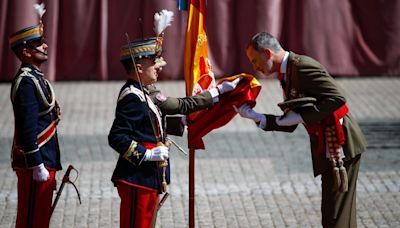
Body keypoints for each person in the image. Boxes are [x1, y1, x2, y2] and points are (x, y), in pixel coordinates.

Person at [234, 32, 367, 227]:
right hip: (328, 145)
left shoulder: (302, 66)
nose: (255, 67)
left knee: (336, 216)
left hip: (340, 142)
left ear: (268, 53)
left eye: (255, 60)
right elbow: (290, 123)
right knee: (333, 214)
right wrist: (256, 117)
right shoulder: (287, 73)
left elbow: (338, 97)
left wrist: (304, 116)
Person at [108, 36, 240, 227]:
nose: (158, 66)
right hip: (137, 177)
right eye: (152, 63)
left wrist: (182, 122)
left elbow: (147, 123)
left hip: (146, 177)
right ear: (138, 68)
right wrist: (146, 154)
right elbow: (117, 136)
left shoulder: (143, 91)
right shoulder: (132, 97)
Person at [9, 8, 62, 228]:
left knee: (40, 218)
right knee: (31, 219)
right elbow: (26, 126)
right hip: (36, 162)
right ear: (26, 51)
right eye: (39, 42)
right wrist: (36, 163)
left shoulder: (35, 77)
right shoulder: (26, 82)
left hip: (45, 157)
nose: (45, 46)